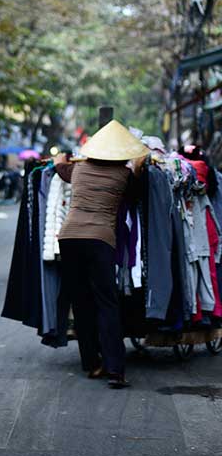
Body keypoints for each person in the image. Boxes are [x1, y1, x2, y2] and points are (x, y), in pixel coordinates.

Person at [54, 120, 148, 389]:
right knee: (107, 303)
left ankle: (92, 364)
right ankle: (115, 370)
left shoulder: (78, 170)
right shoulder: (123, 176)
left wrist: (61, 158)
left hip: (69, 237)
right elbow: (137, 192)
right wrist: (139, 166)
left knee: (81, 301)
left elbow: (59, 166)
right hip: (100, 240)